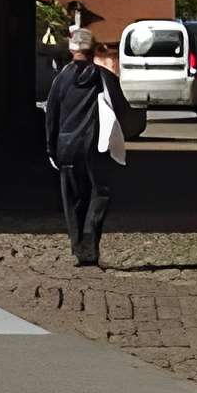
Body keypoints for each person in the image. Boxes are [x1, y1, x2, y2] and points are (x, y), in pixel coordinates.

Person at [39, 22, 129, 267]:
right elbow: (123, 110)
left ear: (71, 50)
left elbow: (51, 118)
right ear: (93, 51)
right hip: (95, 146)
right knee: (100, 193)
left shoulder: (60, 81)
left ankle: (79, 247)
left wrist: (52, 149)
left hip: (66, 147)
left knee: (73, 199)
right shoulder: (105, 78)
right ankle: (90, 239)